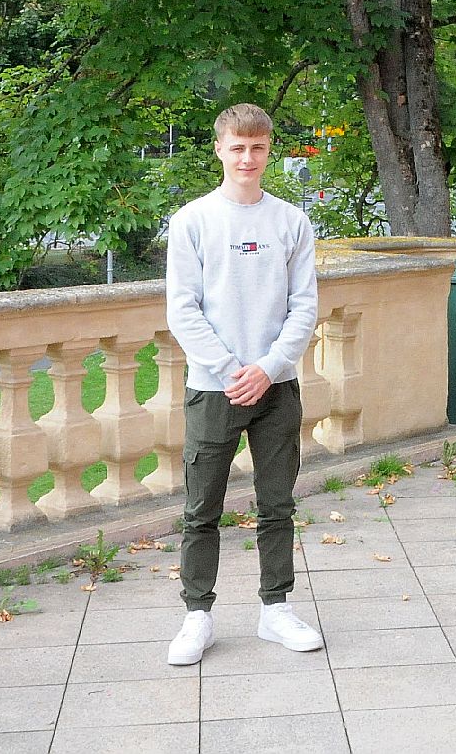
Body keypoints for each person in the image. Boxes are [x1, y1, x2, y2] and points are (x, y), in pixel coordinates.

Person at [164, 104, 322, 665]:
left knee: (277, 502)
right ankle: (197, 614)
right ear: (219, 150)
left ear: (269, 149)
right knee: (201, 506)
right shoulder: (193, 222)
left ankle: (275, 607)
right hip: (215, 387)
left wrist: (268, 367)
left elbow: (304, 307)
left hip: (276, 385)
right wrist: (234, 370)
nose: (247, 158)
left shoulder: (291, 222)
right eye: (237, 148)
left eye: (256, 148)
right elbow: (182, 310)